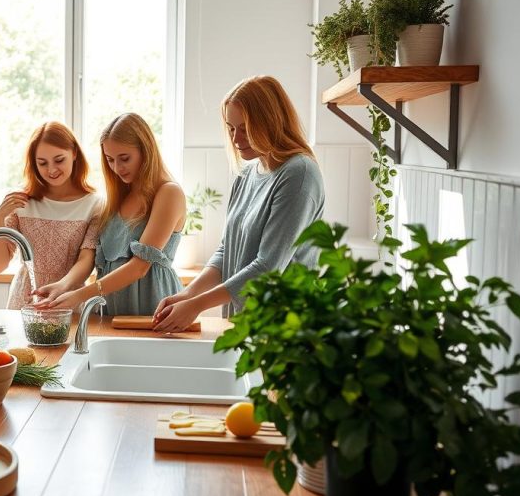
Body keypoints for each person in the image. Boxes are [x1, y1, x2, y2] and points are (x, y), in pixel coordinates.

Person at [153, 75, 325, 332]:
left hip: (286, 327)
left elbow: (268, 267)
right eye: (231, 128)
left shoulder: (299, 174)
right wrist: (187, 295)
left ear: (271, 122)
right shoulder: (246, 174)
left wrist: (197, 305)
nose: (235, 139)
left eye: (245, 128)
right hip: (244, 323)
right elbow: (226, 252)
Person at [35, 113, 185, 315]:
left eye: (124, 158)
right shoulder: (119, 197)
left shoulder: (169, 192)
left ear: (146, 150)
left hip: (152, 308)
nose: (117, 168)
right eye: (110, 160)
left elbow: (139, 267)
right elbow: (90, 256)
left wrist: (80, 295)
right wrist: (63, 285)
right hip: (111, 311)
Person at [0, 121, 101, 309]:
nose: (51, 170)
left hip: (68, 302)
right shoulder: (21, 201)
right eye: (42, 163)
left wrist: (62, 287)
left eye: (59, 160)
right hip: (24, 302)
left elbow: (86, 260)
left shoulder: (94, 204)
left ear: (74, 153)